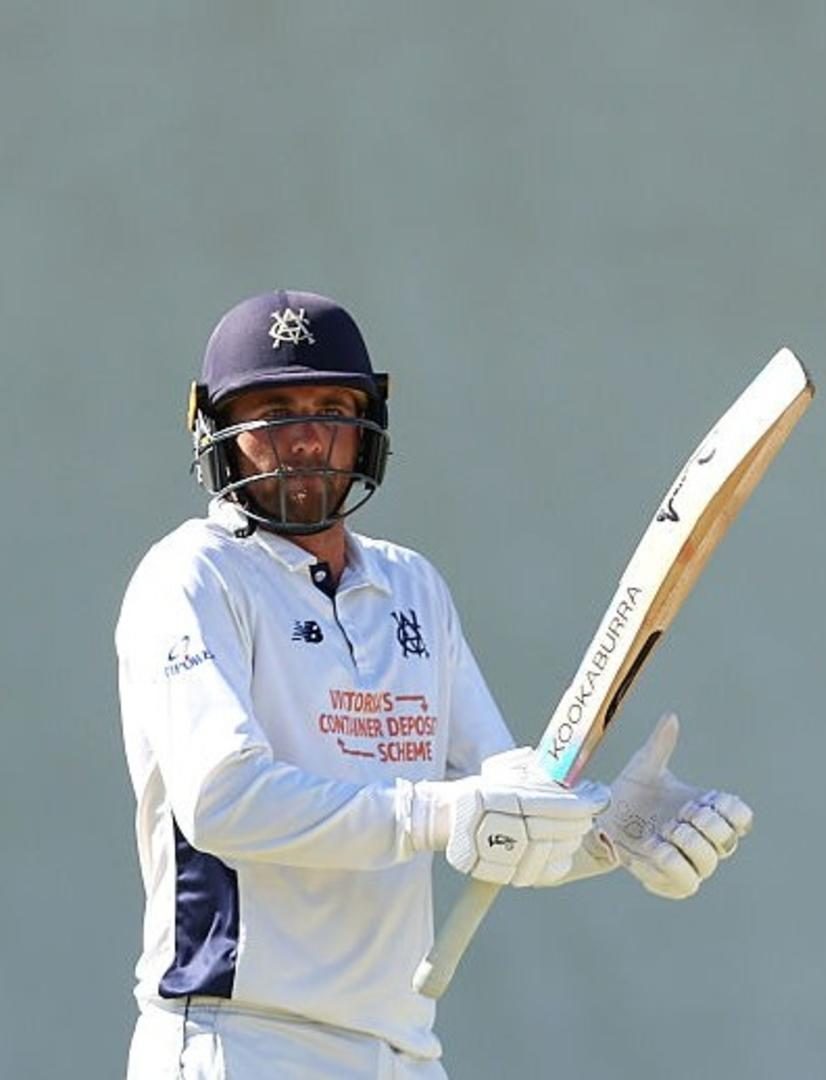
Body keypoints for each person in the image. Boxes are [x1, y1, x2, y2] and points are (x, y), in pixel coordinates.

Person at [117, 290, 754, 1078]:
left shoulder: (413, 587)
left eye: (331, 408)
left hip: (405, 1051)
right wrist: (432, 811)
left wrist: (610, 833)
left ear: (366, 428)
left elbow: (497, 809)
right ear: (218, 430)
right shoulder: (193, 577)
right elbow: (223, 802)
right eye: (274, 410)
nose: (307, 437)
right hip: (240, 1040)